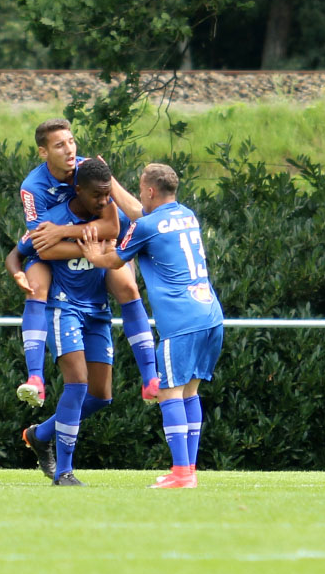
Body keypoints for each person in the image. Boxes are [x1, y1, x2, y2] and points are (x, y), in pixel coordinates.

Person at [78, 163, 224, 489]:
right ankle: (187, 470)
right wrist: (111, 181)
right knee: (190, 393)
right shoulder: (186, 215)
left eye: (141, 187)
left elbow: (115, 259)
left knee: (169, 395)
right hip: (210, 315)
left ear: (150, 191)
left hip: (181, 322)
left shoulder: (147, 226)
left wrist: (93, 254)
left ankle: (182, 475)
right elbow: (141, 214)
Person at [14, 119, 158, 409]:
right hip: (76, 253)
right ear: (43, 153)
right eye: (59, 145)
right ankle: (35, 379)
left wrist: (66, 232)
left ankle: (151, 380)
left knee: (129, 287)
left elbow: (111, 228)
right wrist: (87, 250)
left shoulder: (88, 170)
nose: (69, 150)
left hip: (107, 245)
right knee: (36, 286)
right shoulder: (33, 187)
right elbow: (44, 246)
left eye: (71, 141)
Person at [5, 159, 131, 485]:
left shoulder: (106, 216)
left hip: (97, 311)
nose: (105, 201)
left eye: (107, 196)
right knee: (77, 384)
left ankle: (40, 434)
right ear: (79, 191)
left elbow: (114, 232)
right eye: (98, 196)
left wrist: (80, 240)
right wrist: (20, 268)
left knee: (101, 396)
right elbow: (27, 250)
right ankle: (64, 472)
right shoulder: (52, 218)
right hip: (63, 308)